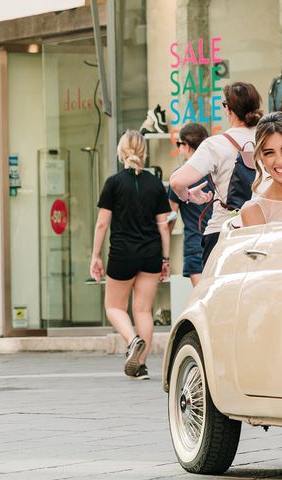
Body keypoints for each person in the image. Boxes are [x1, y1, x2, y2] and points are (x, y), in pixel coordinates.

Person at [89, 130, 171, 380]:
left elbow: (102, 224)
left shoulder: (114, 183)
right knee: (144, 311)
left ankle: (132, 340)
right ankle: (141, 366)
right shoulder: (155, 184)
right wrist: (165, 259)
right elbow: (164, 226)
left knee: (113, 306)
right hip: (150, 254)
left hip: (123, 253)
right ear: (144, 153)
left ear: (121, 151)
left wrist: (95, 256)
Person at [169, 82, 262, 265]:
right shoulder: (269, 138)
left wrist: (187, 195)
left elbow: (177, 182)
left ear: (228, 109)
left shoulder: (216, 144)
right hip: (264, 229)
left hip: (224, 230)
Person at [167, 123, 213, 287]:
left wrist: (163, 253)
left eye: (180, 144)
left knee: (202, 300)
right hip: (218, 241)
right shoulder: (215, 173)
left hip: (195, 244)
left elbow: (170, 219)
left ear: (186, 146)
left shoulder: (179, 178)